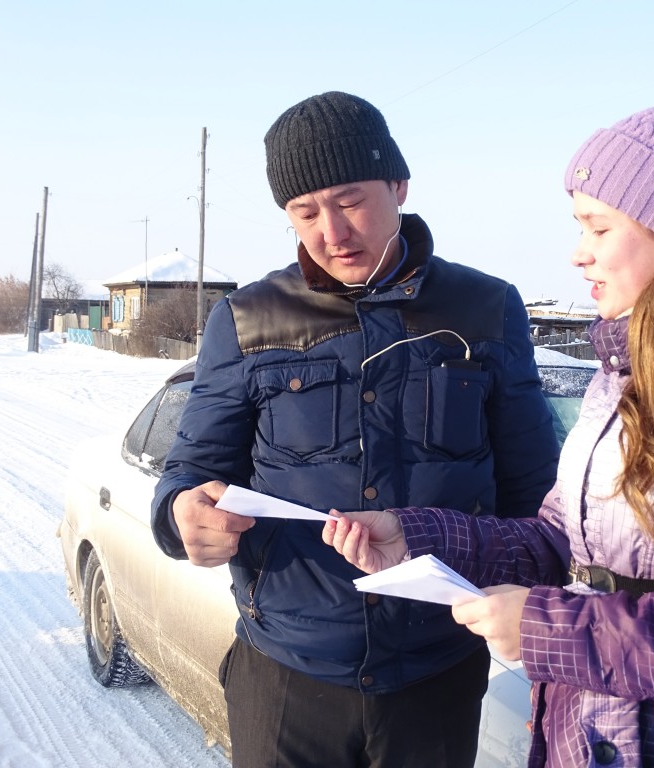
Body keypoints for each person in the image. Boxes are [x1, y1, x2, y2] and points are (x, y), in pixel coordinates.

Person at [323, 97, 654, 768]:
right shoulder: (625, 368)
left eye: (598, 228)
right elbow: (562, 542)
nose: (578, 254)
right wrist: (416, 539)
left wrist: (549, 630)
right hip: (584, 731)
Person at [150, 91, 560, 768]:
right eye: (305, 212)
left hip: (436, 673)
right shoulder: (248, 319)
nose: (332, 232)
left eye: (350, 201)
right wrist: (179, 516)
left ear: (398, 186)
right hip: (286, 673)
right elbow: (191, 471)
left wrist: (541, 616)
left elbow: (532, 492)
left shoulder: (485, 309)